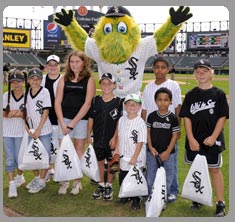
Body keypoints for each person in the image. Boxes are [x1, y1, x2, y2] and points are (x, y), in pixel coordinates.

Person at [179, 59, 229, 217]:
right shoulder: (191, 94)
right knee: (197, 168)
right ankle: (198, 198)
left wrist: (214, 137)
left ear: (211, 73)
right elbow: (186, 117)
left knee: (214, 170)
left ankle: (220, 203)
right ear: (194, 74)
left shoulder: (219, 94)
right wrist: (191, 138)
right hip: (195, 139)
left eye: (205, 70)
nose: (201, 74)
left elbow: (222, 117)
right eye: (198, 71)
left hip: (212, 140)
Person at [55, 50, 96, 195]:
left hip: (81, 120)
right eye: (72, 62)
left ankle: (77, 182)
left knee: (78, 152)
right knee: (64, 151)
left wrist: (72, 123)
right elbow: (57, 101)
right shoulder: (64, 78)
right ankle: (64, 181)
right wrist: (62, 122)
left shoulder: (89, 79)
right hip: (64, 120)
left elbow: (87, 104)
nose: (74, 64)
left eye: (77, 61)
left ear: (83, 63)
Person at [141, 57, 181, 202]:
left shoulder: (173, 85)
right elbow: (144, 109)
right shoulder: (148, 87)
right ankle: (151, 191)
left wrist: (178, 130)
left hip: (168, 131)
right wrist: (143, 130)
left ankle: (172, 190)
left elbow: (177, 108)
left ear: (168, 69)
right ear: (153, 69)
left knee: (171, 164)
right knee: (152, 163)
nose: (160, 70)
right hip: (152, 131)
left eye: (163, 67)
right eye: (157, 67)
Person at [87, 73, 123, 201]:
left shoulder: (119, 102)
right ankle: (101, 184)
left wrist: (115, 138)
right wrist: (88, 135)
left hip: (111, 139)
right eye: (103, 83)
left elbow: (119, 122)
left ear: (114, 85)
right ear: (100, 85)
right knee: (100, 162)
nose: (106, 86)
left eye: (109, 83)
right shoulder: (95, 100)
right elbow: (91, 119)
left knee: (112, 163)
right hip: (98, 138)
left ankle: (109, 185)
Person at [146, 87, 180, 203]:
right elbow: (148, 133)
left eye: (165, 100)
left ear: (170, 101)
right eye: (159, 99)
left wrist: (167, 151)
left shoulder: (173, 118)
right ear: (155, 101)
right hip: (153, 152)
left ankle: (165, 196)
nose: (162, 102)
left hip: (168, 154)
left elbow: (175, 136)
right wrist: (150, 147)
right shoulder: (151, 116)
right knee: (151, 176)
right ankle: (151, 195)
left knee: (168, 176)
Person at [114, 93, 147, 210]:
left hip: (136, 156)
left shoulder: (140, 122)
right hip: (124, 154)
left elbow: (141, 142)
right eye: (129, 104)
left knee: (135, 178)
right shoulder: (122, 119)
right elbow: (119, 135)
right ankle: (125, 196)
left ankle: (136, 199)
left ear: (139, 107)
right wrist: (117, 149)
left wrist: (135, 157)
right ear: (125, 106)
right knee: (123, 175)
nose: (132, 107)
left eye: (135, 104)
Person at [23, 68, 53, 193]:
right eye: (32, 79)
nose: (35, 81)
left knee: (45, 156)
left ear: (41, 80)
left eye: (38, 79)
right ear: (29, 80)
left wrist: (39, 129)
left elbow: (45, 111)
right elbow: (24, 113)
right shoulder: (26, 92)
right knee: (33, 156)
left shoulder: (45, 91)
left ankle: (42, 181)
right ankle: (36, 177)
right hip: (31, 130)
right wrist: (28, 129)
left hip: (44, 129)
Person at [3, 70, 26, 198]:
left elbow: (26, 114)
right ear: (10, 83)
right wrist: (18, 113)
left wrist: (12, 113)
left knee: (19, 158)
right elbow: (4, 114)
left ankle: (20, 176)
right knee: (10, 159)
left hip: (21, 133)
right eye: (13, 81)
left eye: (18, 81)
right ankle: (12, 184)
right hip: (7, 132)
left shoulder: (27, 95)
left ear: (23, 82)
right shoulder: (6, 95)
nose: (16, 84)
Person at [41, 54, 62, 181]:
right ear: (46, 66)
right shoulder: (41, 80)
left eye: (55, 65)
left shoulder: (64, 79)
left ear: (59, 66)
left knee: (58, 146)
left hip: (60, 119)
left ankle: (58, 170)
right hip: (45, 119)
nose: (53, 67)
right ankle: (49, 169)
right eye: (50, 65)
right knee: (46, 146)